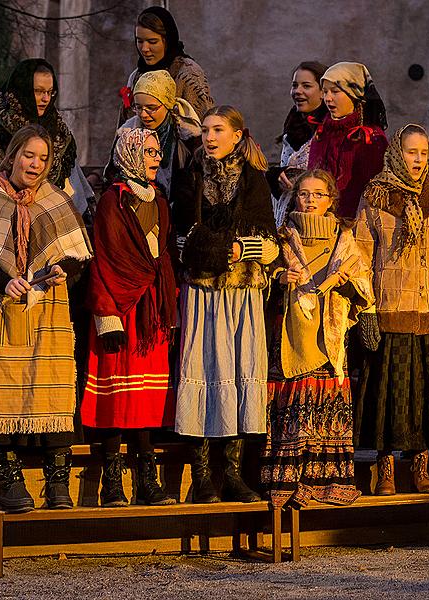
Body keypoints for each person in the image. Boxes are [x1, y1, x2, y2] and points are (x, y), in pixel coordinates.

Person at [0, 124, 92, 513]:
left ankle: (57, 481)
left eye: (43, 158)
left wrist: (63, 270)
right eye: (29, 155)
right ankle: (10, 482)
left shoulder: (53, 198)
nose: (35, 163)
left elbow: (75, 252)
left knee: (52, 386)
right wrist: (4, 280)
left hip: (47, 307)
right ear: (13, 155)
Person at [354, 124, 429, 496]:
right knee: (390, 394)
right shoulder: (376, 196)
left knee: (424, 395)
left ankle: (421, 468)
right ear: (396, 154)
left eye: (423, 153)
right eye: (411, 152)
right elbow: (359, 257)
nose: (419, 160)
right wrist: (366, 310)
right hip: (391, 310)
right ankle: (384, 469)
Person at [173, 105, 278, 503]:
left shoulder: (255, 182)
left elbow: (269, 246)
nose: (210, 136)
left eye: (218, 129)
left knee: (236, 372)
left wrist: (239, 248)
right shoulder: (190, 179)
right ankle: (202, 478)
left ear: (238, 135)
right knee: (201, 368)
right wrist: (215, 252)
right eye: (205, 129)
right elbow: (183, 240)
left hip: (242, 293)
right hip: (202, 292)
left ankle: (232, 474)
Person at [261, 169, 374, 507]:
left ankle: (325, 483)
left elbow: (364, 285)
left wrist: (345, 282)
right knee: (294, 411)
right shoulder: (281, 239)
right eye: (304, 194)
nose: (310, 201)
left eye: (318, 194)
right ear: (295, 197)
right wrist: (280, 277)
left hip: (329, 340)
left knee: (325, 413)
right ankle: (289, 482)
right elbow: (262, 278)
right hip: (292, 338)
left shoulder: (345, 240)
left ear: (330, 201)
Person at [82, 129, 178, 507]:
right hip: (121, 308)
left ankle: (147, 477)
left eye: (158, 151)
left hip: (150, 311)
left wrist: (168, 305)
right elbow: (106, 259)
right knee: (117, 398)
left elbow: (163, 256)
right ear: (130, 154)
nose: (156, 158)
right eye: (149, 152)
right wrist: (108, 316)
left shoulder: (160, 201)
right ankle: (111, 480)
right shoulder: (112, 202)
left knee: (144, 399)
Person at [0, 59, 91, 238]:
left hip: (56, 241)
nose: (46, 99)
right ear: (22, 91)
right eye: (39, 91)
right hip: (1, 242)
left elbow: (78, 196)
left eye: (50, 92)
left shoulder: (60, 137)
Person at [307, 62, 388, 220]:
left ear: (354, 94)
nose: (328, 98)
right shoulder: (321, 132)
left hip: (355, 225)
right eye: (325, 92)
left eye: (335, 91)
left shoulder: (370, 138)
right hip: (318, 222)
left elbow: (375, 192)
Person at [118, 6, 214, 124]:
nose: (144, 48)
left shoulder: (188, 74)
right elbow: (124, 125)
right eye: (140, 41)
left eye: (152, 42)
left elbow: (206, 126)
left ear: (167, 40)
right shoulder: (136, 76)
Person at [116, 69, 201, 198]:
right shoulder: (127, 135)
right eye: (138, 107)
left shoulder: (188, 137)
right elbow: (113, 177)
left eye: (151, 108)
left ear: (167, 105)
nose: (143, 115)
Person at [267, 61, 329, 227]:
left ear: (323, 92)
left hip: (316, 223)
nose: (297, 91)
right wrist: (275, 174)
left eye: (306, 86)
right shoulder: (293, 122)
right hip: (285, 221)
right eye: (295, 85)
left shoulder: (329, 129)